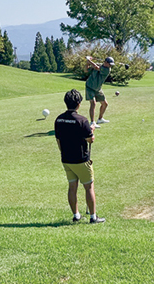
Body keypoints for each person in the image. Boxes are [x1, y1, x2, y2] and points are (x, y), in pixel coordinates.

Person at [54, 89, 105, 224]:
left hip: (66, 159)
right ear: (78, 104)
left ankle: (76, 215)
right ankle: (93, 217)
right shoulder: (82, 120)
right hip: (81, 159)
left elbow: (58, 140)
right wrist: (92, 130)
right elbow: (90, 140)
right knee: (89, 187)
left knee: (72, 187)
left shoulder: (59, 119)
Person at [85, 56, 114, 127]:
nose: (110, 66)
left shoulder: (107, 69)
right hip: (90, 87)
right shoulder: (98, 65)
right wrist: (87, 63)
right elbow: (86, 70)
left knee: (105, 104)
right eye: (109, 64)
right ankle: (92, 122)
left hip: (98, 88)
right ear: (105, 62)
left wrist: (89, 60)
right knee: (93, 103)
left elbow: (96, 68)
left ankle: (100, 119)